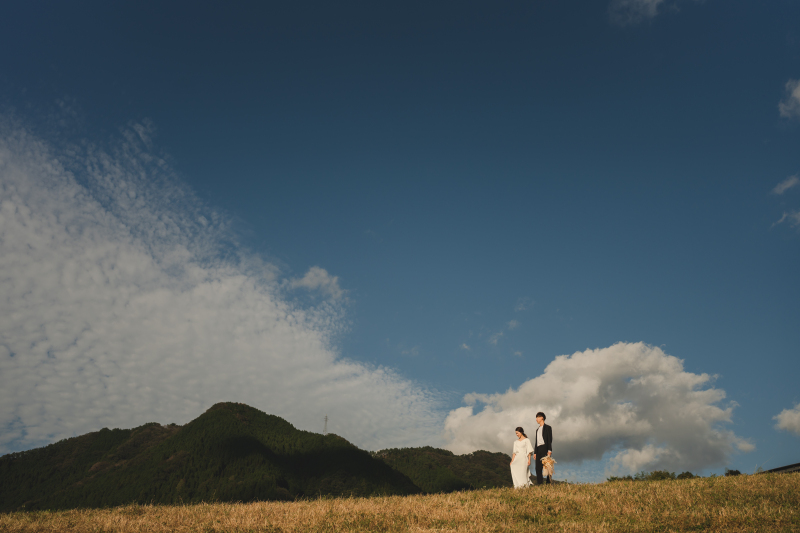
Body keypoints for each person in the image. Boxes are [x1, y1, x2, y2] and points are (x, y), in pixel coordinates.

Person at [532, 412, 553, 485]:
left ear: (542, 418)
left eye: (537, 417)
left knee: (547, 466)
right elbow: (536, 441)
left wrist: (549, 450)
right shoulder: (537, 430)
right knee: (538, 468)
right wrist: (535, 452)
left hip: (545, 447)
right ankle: (540, 484)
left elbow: (549, 439)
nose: (536, 419)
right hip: (538, 449)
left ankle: (548, 482)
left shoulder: (548, 427)